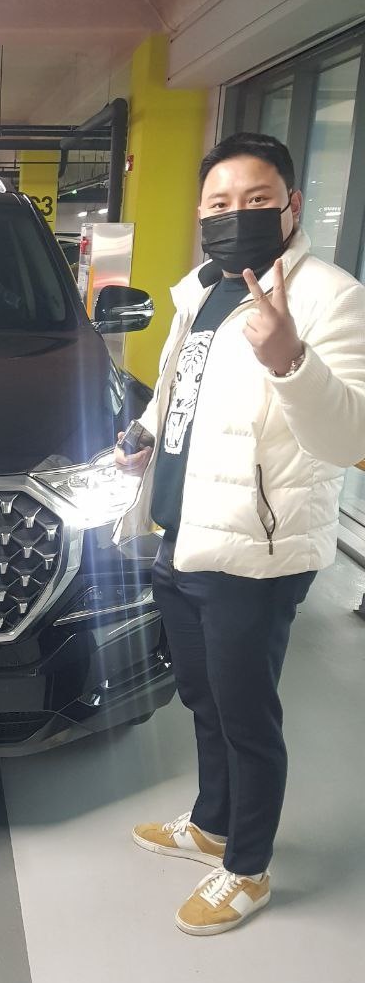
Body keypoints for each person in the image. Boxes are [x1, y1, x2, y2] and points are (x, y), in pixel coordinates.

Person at [115, 133, 365, 936]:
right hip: (183, 531)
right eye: (219, 203)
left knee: (247, 715)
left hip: (257, 550)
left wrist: (292, 360)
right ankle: (213, 823)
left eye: (256, 200)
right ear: (201, 214)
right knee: (202, 696)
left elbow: (350, 435)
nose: (236, 215)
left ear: (292, 206)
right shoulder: (199, 291)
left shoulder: (331, 297)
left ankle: (248, 868)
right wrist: (144, 433)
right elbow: (180, 390)